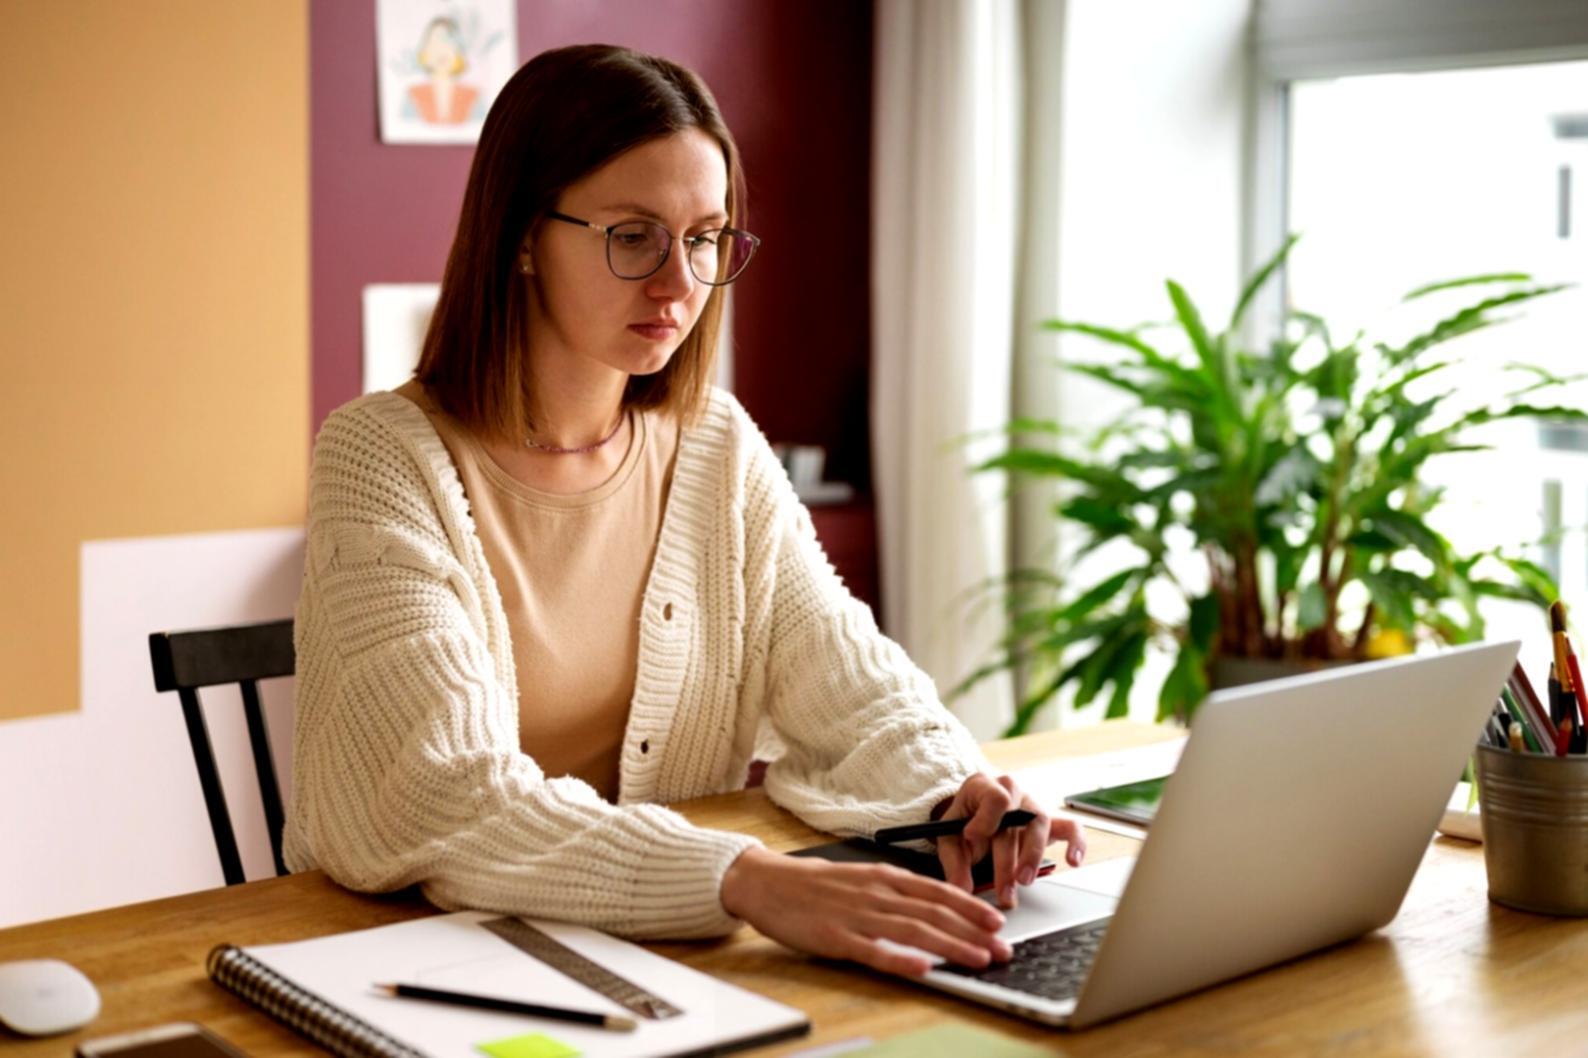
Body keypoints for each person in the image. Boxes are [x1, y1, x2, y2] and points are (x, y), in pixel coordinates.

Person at [284, 43, 1085, 979]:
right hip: (411, 963)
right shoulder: (379, 457)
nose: (679, 285)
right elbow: (448, 793)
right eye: (634, 235)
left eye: (705, 238)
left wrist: (957, 791)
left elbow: (842, 672)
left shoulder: (713, 442)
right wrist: (743, 879)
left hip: (661, 959)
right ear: (522, 237)